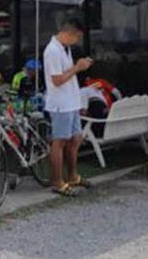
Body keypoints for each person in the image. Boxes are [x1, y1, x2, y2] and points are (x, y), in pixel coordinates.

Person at [43, 19, 94, 197]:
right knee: (60, 142)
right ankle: (57, 181)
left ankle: (72, 175)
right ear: (68, 33)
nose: (77, 41)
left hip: (71, 101)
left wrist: (78, 67)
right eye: (77, 37)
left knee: (75, 139)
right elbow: (56, 80)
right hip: (60, 104)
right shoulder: (52, 51)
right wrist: (77, 68)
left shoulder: (66, 49)